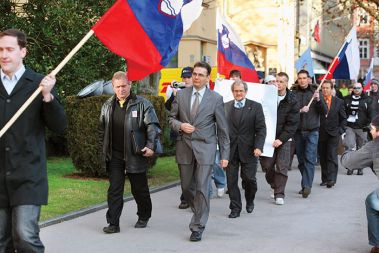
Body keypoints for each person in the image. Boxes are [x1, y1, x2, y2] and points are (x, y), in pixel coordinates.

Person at [0, 29, 67, 252]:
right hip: (0, 178)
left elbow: (60, 126)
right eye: (1, 49)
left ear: (23, 51)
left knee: (25, 236)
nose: (4, 54)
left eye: (9, 49)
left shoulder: (38, 84)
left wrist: (48, 97)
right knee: (2, 241)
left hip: (28, 177)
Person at [169, 61, 230, 242]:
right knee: (187, 187)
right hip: (185, 147)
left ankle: (198, 226)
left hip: (206, 147)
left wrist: (225, 155)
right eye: (194, 74)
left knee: (203, 187)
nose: (196, 77)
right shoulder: (180, 95)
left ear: (207, 78)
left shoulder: (216, 99)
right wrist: (181, 125)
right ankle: (199, 209)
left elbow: (223, 129)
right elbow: (171, 119)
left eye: (200, 75)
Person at [99, 71, 161, 233]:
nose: (121, 90)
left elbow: (152, 126)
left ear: (130, 85)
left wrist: (150, 145)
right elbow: (102, 130)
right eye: (118, 87)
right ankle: (113, 223)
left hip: (136, 153)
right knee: (114, 189)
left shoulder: (142, 104)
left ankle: (144, 215)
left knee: (139, 189)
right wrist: (103, 149)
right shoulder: (107, 105)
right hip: (115, 155)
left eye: (124, 86)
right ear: (113, 87)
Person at [224, 80, 266, 217]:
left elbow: (261, 129)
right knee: (231, 181)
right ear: (232, 92)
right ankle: (235, 208)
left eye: (241, 91)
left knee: (249, 179)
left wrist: (259, 146)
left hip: (249, 150)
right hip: (230, 151)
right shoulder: (225, 107)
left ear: (245, 92)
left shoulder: (255, 107)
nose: (238, 93)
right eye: (236, 91)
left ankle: (250, 199)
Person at [340, 115, 379, 253]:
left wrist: (348, 151)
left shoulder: (374, 146)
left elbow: (349, 162)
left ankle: (378, 244)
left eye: (373, 129)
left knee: (372, 200)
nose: (371, 132)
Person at [260, 72, 299, 205]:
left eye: (282, 81)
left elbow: (292, 124)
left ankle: (279, 194)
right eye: (277, 81)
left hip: (284, 139)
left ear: (287, 83)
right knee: (267, 166)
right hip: (267, 138)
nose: (279, 84)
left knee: (282, 167)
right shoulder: (266, 97)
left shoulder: (292, 99)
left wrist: (281, 139)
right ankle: (274, 184)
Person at [292, 69, 326, 198]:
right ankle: (305, 183)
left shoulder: (315, 92)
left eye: (304, 78)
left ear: (309, 79)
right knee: (301, 160)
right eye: (300, 78)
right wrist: (300, 110)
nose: (302, 80)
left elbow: (324, 111)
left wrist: (318, 100)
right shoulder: (293, 93)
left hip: (312, 131)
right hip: (298, 131)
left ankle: (307, 186)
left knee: (309, 158)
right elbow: (290, 112)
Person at [165, 66, 194, 209]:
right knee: (184, 169)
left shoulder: (200, 93)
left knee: (197, 169)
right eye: (184, 77)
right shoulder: (177, 92)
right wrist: (174, 95)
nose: (186, 80)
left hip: (198, 138)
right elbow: (169, 110)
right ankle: (186, 197)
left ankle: (197, 197)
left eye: (189, 77)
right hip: (181, 137)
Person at [318, 80, 347, 188]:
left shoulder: (338, 102)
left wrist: (340, 130)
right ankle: (324, 178)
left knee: (331, 155)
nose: (325, 90)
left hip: (334, 133)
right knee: (323, 156)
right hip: (321, 133)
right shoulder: (318, 101)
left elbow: (344, 118)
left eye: (327, 88)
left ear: (331, 89)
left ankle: (331, 179)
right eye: (323, 88)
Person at [344, 82, 375, 175]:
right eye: (355, 88)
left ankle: (360, 167)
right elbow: (343, 111)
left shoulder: (368, 99)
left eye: (358, 88)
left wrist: (369, 124)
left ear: (362, 88)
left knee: (361, 149)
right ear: (352, 89)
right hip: (349, 126)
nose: (357, 89)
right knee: (350, 147)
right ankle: (350, 167)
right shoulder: (346, 99)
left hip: (362, 127)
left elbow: (372, 113)